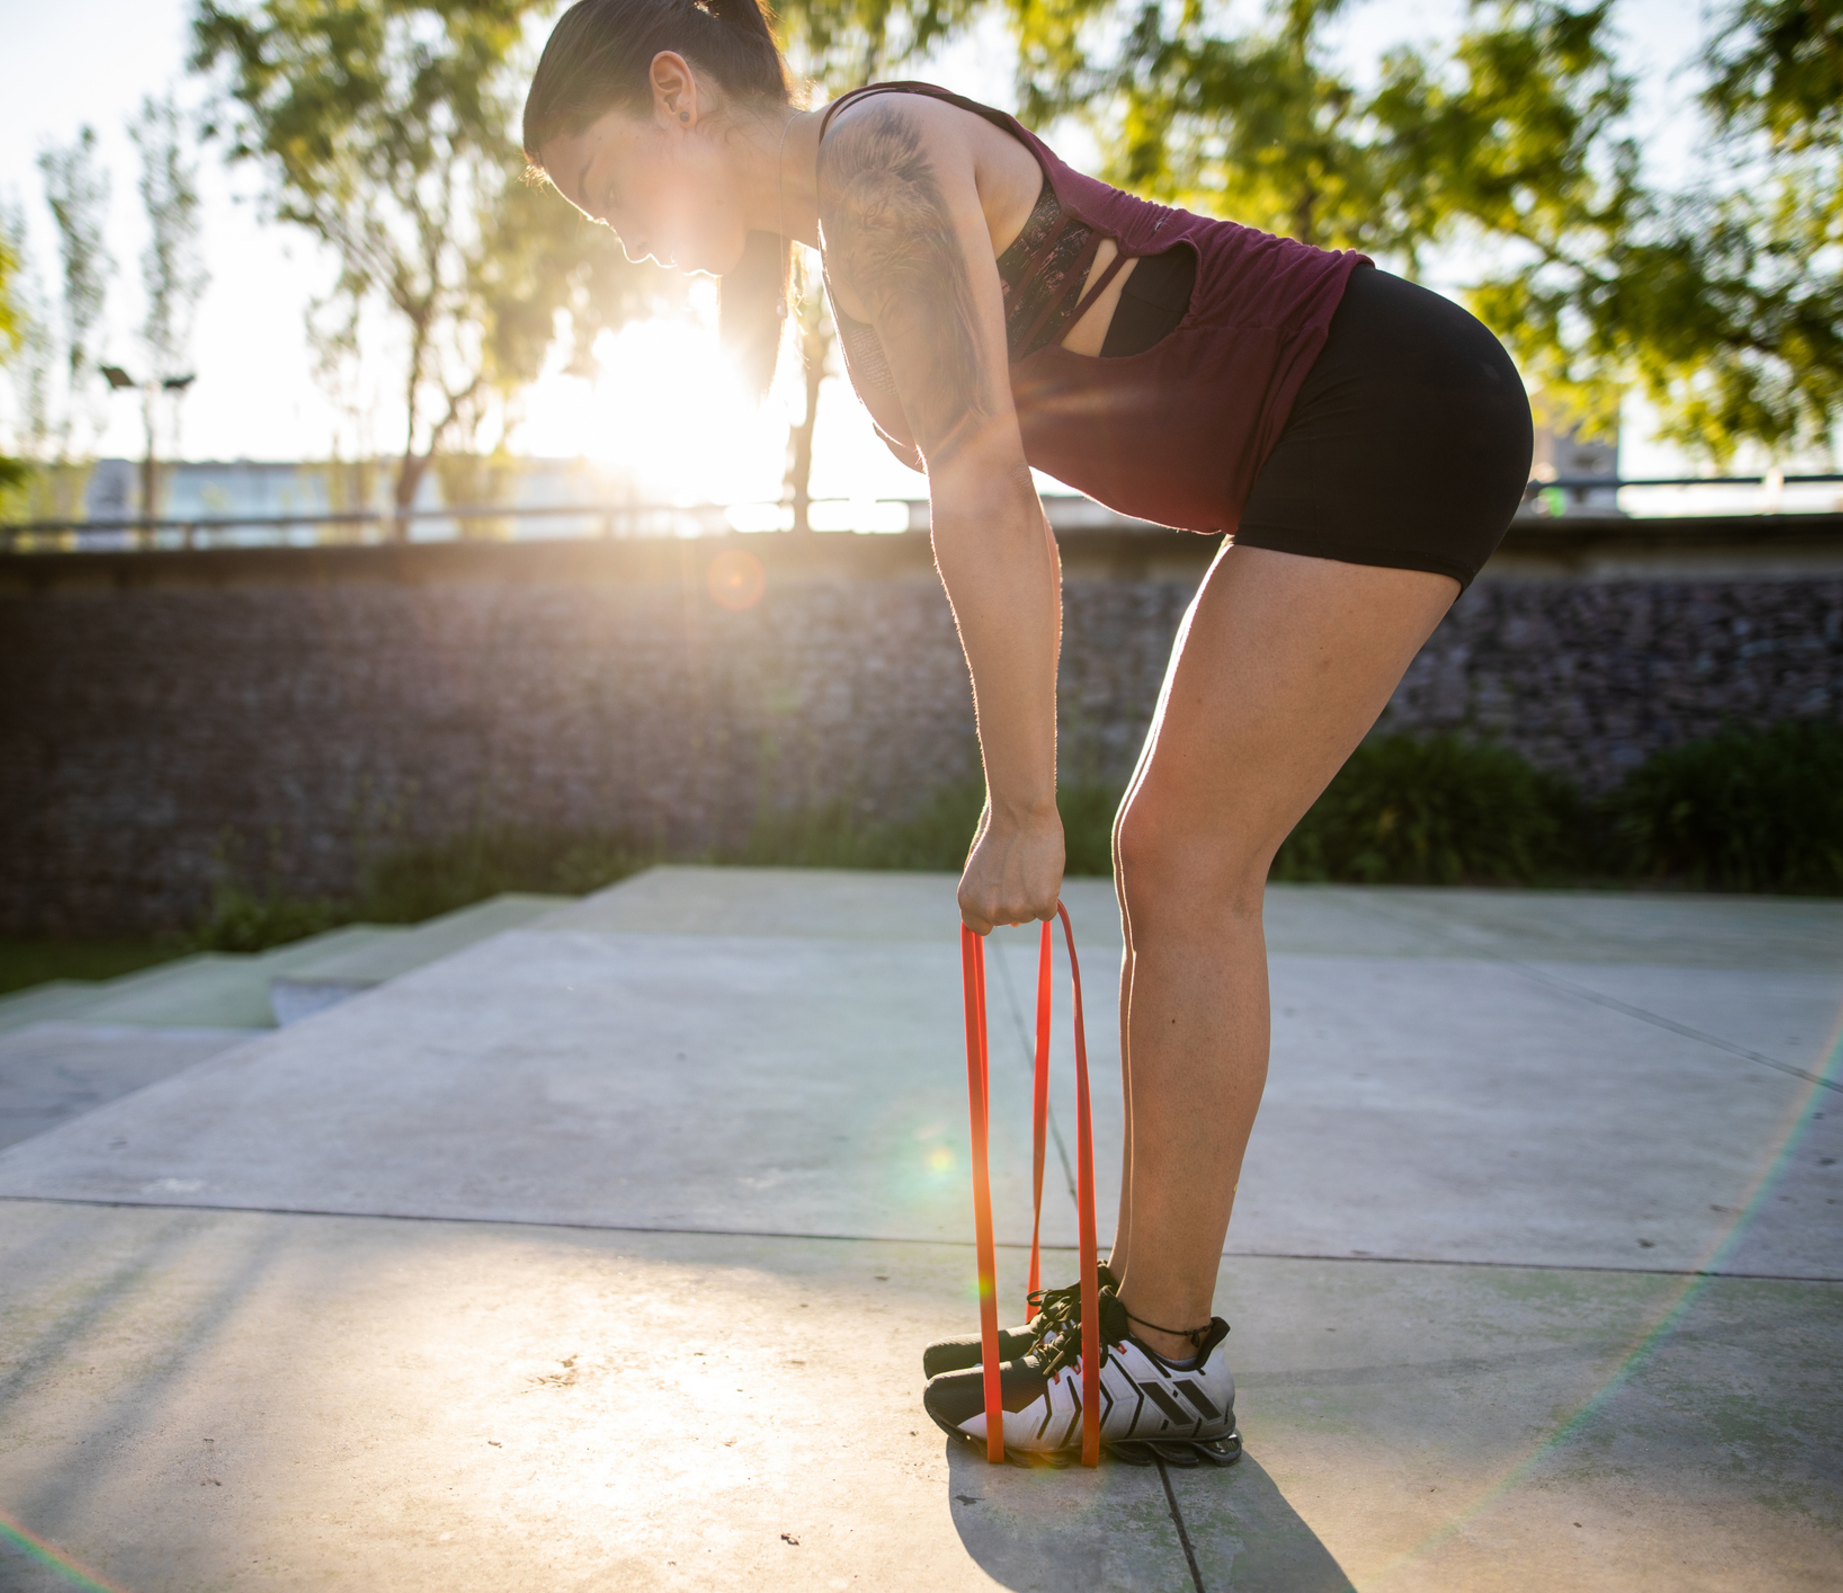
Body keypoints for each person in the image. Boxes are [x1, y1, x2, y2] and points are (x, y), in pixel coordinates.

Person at [523, 0, 1532, 1460]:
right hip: (1339, 425)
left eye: (602, 182)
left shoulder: (873, 162)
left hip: (1388, 400)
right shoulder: (836, 239)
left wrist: (1019, 802)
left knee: (1180, 860)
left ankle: (1168, 1360)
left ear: (674, 91)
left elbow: (992, 496)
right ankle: (1145, 1325)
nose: (616, 228)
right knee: (1173, 854)